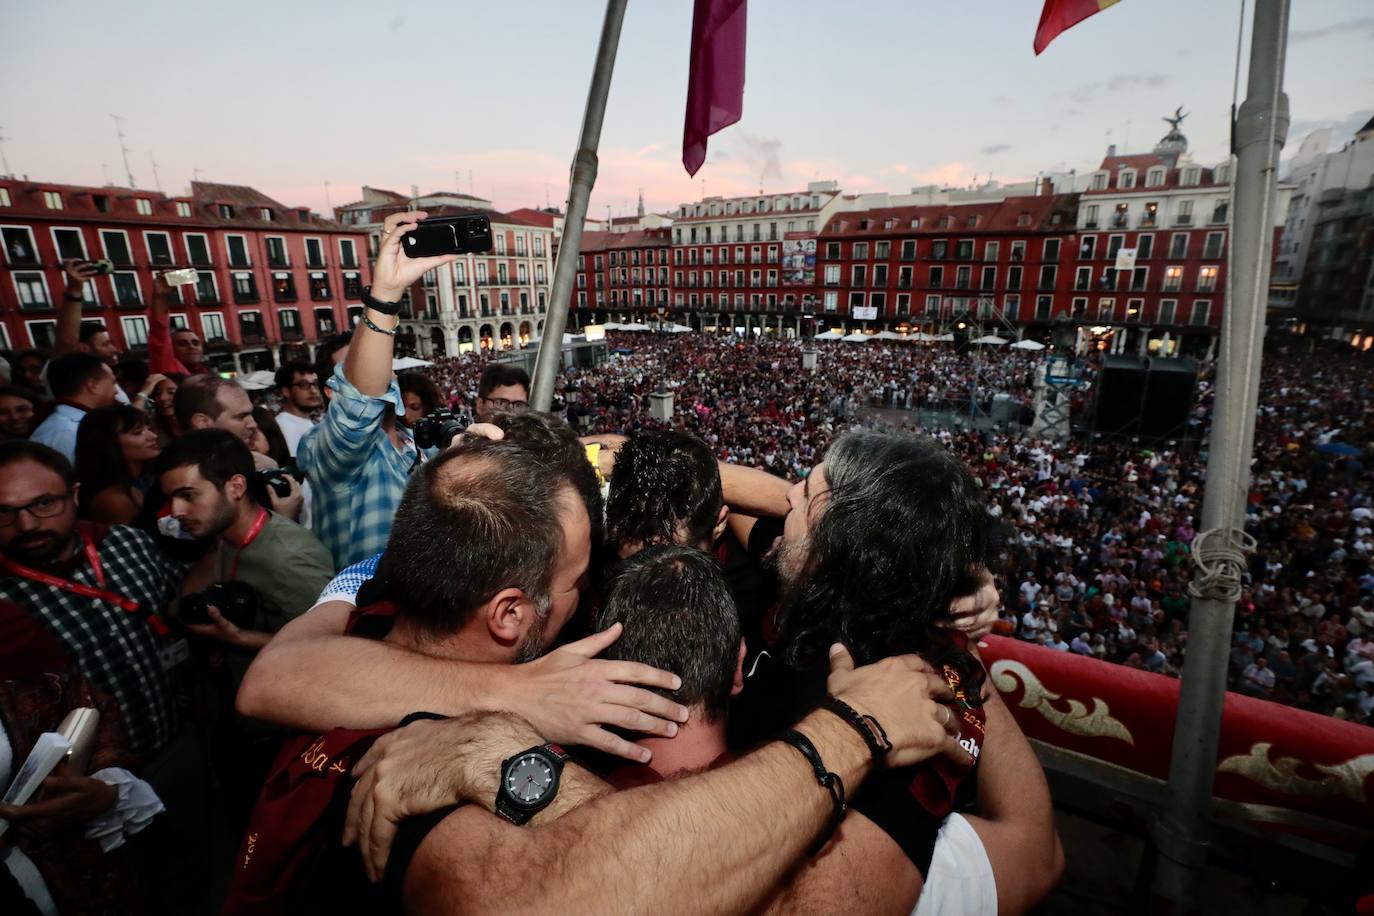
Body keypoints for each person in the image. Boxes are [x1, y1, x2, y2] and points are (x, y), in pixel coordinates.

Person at [223, 434, 594, 914]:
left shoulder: (367, 613)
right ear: (508, 615)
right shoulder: (433, 796)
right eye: (577, 580)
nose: (584, 590)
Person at [154, 429, 334, 821]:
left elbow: (333, 649)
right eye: (171, 498)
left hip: (283, 736)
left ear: (235, 486)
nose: (176, 511)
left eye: (188, 495)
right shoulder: (225, 536)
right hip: (238, 723)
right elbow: (180, 606)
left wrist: (239, 638)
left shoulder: (288, 559)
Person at [298, 211, 455, 568]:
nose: (378, 369)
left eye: (380, 358)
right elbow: (360, 400)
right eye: (352, 369)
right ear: (330, 391)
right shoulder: (327, 453)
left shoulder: (417, 443)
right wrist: (384, 296)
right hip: (366, 620)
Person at [73, 404, 161, 525]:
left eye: (148, 428)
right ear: (108, 444)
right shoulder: (114, 502)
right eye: (138, 432)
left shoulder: (129, 487)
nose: (153, 436)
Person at [30, 352, 118, 462]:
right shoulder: (67, 432)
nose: (116, 391)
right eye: (113, 382)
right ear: (93, 386)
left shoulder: (75, 425)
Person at [273, 361, 321, 457]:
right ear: (286, 391)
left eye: (315, 384)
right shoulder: (283, 427)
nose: (313, 391)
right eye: (304, 385)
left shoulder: (308, 422)